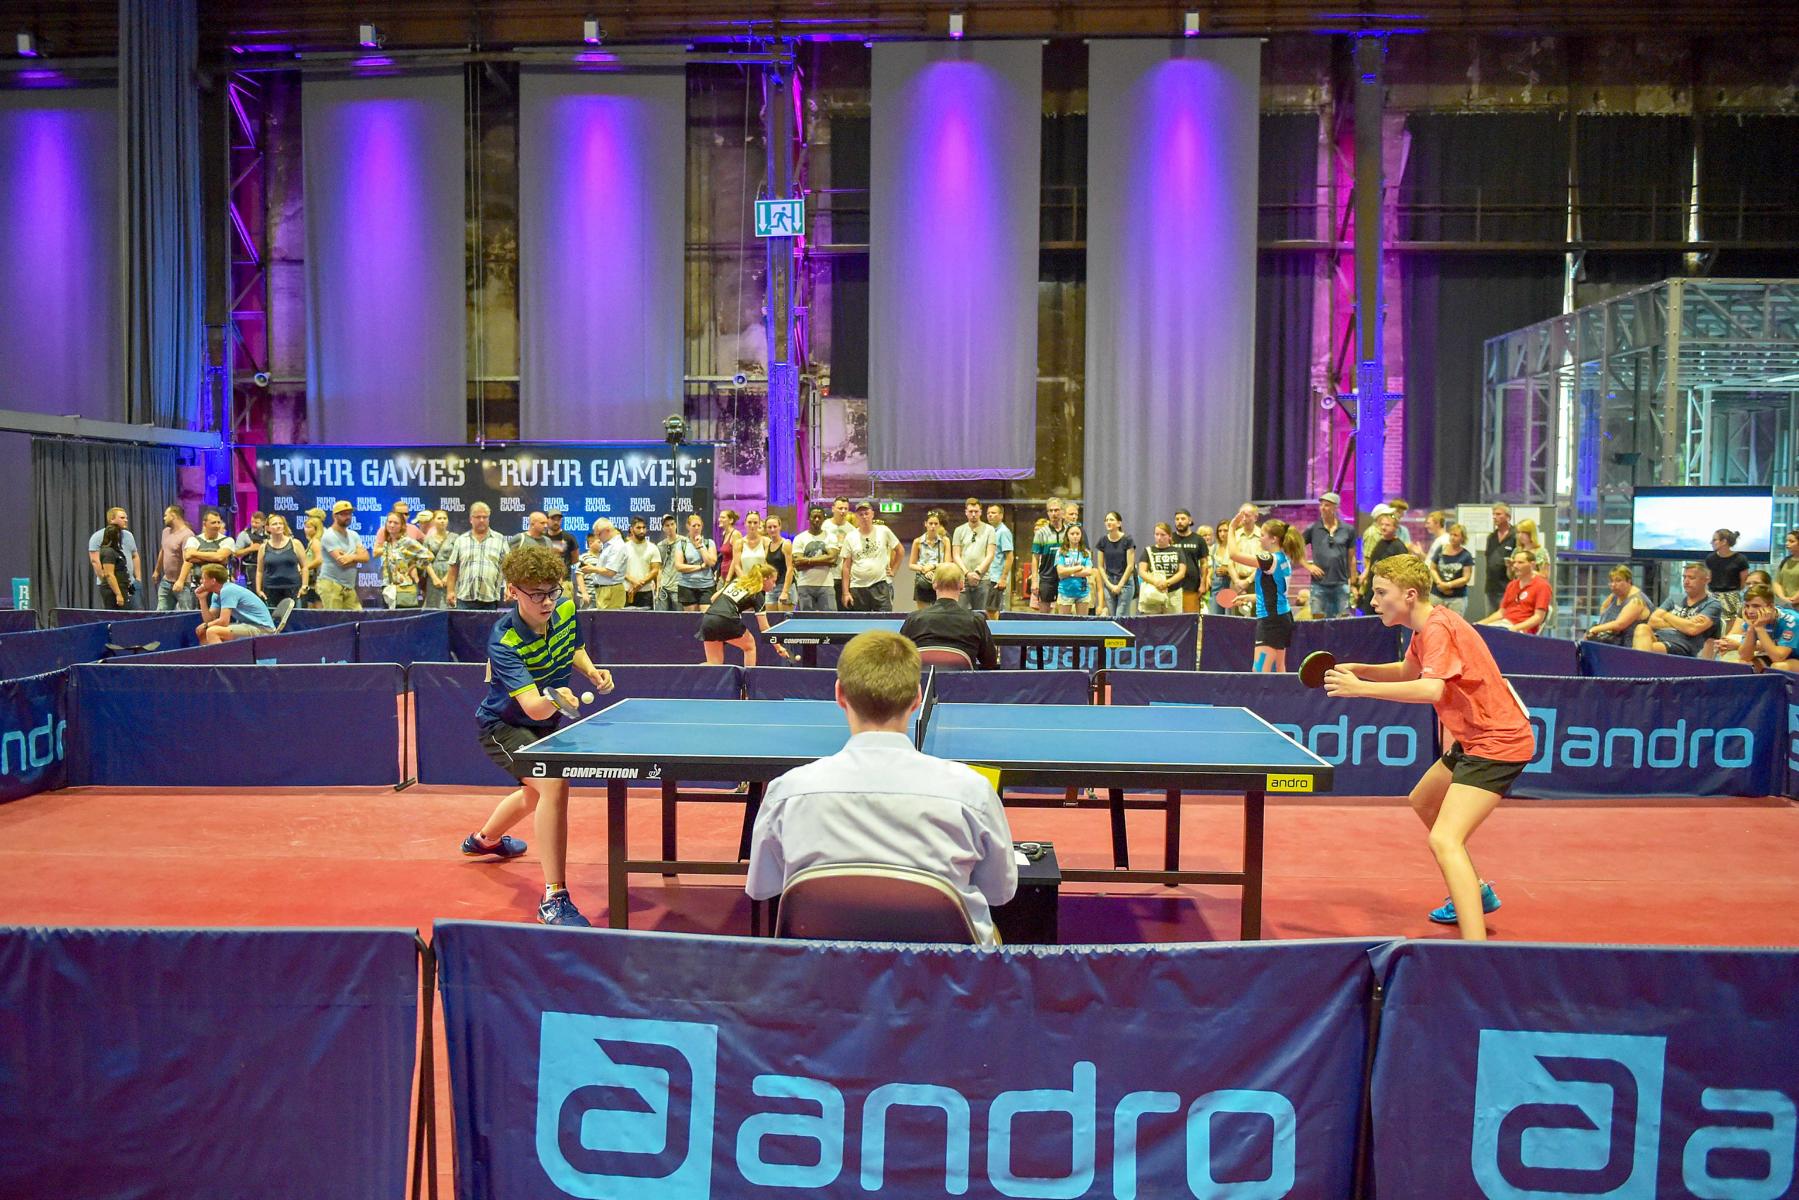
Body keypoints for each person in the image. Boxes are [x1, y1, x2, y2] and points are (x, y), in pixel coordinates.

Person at [745, 630, 1017, 945]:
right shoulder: (972, 792)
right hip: (945, 968)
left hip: (825, 966)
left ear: (839, 694)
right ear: (918, 698)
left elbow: (762, 887)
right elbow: (1000, 892)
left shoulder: (786, 793)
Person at [1324, 554, 1533, 940]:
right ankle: (1474, 891)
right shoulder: (1423, 629)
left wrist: (1361, 689)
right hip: (1474, 737)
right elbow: (1408, 672)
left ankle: (1476, 951)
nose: (1373, 601)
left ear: (1409, 595)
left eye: (1380, 593)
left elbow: (1431, 689)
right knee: (1423, 799)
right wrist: (1361, 669)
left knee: (1444, 839)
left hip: (1498, 741)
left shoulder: (1437, 628)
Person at [462, 545, 616, 927]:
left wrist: (592, 672)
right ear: (512, 591)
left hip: (544, 725)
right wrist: (556, 698)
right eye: (536, 594)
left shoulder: (564, 609)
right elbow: (533, 707)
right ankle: (554, 899)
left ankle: (484, 840)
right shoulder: (504, 641)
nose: (547, 602)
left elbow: (574, 648)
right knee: (553, 784)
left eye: (552, 591)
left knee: (534, 794)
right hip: (503, 726)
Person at [898, 563, 999, 669]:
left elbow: (899, 657)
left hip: (922, 679)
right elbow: (990, 662)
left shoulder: (914, 619)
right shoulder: (976, 620)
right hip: (963, 679)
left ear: (934, 584)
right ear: (961, 585)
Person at [1232, 518, 1302, 671]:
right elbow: (1276, 593)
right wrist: (1249, 598)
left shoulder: (1270, 560)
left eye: (1262, 535)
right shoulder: (1283, 559)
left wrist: (1232, 528)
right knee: (1279, 669)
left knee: (1259, 671)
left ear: (1273, 539)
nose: (1259, 538)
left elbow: (1233, 555)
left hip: (1271, 622)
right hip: (1281, 617)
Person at [699, 563, 786, 667]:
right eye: (773, 581)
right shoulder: (757, 594)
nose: (774, 585)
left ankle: (690, 673)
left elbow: (713, 598)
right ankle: (749, 677)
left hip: (708, 618)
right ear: (765, 579)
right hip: (727, 619)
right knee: (750, 646)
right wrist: (778, 647)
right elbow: (764, 628)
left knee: (714, 664)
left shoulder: (737, 581)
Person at [1632, 562, 1723, 657]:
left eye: (1691, 578)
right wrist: (1686, 622)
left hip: (1682, 645)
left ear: (1705, 580)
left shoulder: (1712, 605)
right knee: (1642, 628)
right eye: (1684, 577)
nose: (1686, 582)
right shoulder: (1673, 598)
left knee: (1645, 648)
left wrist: (1666, 615)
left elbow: (1692, 629)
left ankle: (1639, 665)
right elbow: (1652, 621)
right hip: (1658, 637)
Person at [1718, 583, 1799, 672]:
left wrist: (1759, 628)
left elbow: (1778, 657)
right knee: (1741, 665)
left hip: (1793, 659)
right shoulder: (1753, 619)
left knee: (1779, 667)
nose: (1750, 611)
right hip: (1775, 657)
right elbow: (1745, 656)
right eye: (1747, 606)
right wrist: (1751, 628)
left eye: (1756, 606)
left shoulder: (1792, 621)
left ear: (1770, 607)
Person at [445, 501, 508, 610]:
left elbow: (508, 567)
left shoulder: (500, 540)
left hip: (490, 599)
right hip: (464, 599)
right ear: (471, 519)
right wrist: (450, 591)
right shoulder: (461, 540)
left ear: (489, 519)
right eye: (478, 517)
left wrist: (509, 588)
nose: (481, 520)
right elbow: (453, 569)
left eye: (485, 517)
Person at [841, 501, 901, 612]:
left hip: (880, 585)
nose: (864, 517)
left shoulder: (883, 531)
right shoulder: (850, 537)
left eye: (866, 513)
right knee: (860, 620)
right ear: (856, 517)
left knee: (884, 618)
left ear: (872, 514)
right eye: (861, 514)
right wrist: (845, 592)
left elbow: (900, 550)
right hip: (858, 586)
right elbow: (846, 567)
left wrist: (894, 570)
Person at [1302, 492, 1354, 619]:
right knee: (1318, 620)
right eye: (1321, 505)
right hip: (1319, 584)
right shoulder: (1313, 528)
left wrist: (1353, 582)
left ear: (1335, 507)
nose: (1323, 508)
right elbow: (1296, 547)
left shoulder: (1348, 529)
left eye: (1327, 505)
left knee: (1344, 620)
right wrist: (1308, 566)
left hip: (1341, 583)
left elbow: (1351, 557)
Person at [194, 563, 276, 643]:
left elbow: (223, 622)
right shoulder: (216, 594)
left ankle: (221, 653)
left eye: (203, 578)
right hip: (247, 625)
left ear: (213, 581)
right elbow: (209, 620)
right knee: (204, 632)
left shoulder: (228, 590)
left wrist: (206, 626)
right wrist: (202, 599)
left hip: (263, 629)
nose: (201, 581)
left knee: (212, 631)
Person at [1478, 551, 1552, 634]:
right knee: (1480, 632)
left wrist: (1514, 628)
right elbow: (1501, 613)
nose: (1515, 566)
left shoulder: (1542, 586)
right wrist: (1480, 624)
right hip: (1504, 625)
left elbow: (1538, 617)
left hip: (1522, 630)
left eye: (1520, 562)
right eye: (1514, 562)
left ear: (1532, 565)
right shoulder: (1512, 585)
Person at [312, 501, 367, 610]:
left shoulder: (354, 535)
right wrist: (357, 557)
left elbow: (365, 557)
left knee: (358, 616)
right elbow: (343, 562)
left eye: (349, 514)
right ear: (334, 516)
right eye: (343, 514)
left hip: (349, 587)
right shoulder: (329, 535)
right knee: (334, 619)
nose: (348, 517)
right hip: (331, 585)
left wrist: (351, 557)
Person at [178, 511, 237, 608]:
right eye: (213, 522)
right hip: (198, 586)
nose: (217, 525)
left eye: (219, 522)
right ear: (204, 524)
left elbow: (220, 557)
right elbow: (188, 557)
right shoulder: (193, 540)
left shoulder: (228, 540)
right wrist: (214, 556)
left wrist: (196, 554)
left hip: (220, 588)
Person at [1356, 511, 1410, 613]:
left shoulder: (1399, 547)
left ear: (1395, 528)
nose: (1383, 527)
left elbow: (1404, 573)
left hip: (1387, 594)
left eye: (1387, 525)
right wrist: (1365, 575)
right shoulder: (1380, 543)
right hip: (1372, 590)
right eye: (1382, 524)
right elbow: (1373, 562)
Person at [88, 508, 141, 609]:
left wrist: (138, 578)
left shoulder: (129, 535)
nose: (126, 520)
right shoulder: (98, 538)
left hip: (129, 583)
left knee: (134, 610)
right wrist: (105, 580)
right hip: (112, 586)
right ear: (112, 519)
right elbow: (95, 561)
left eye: (126, 518)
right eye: (122, 518)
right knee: (116, 613)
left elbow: (135, 556)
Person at [790, 505, 839, 612]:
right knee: (806, 620)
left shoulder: (830, 537)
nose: (817, 520)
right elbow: (798, 564)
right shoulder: (799, 538)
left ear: (823, 519)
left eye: (819, 517)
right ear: (809, 518)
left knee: (830, 619)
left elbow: (833, 559)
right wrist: (825, 560)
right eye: (814, 517)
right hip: (804, 585)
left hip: (826, 585)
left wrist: (807, 560)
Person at [255, 515, 307, 613]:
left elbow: (304, 567)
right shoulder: (263, 547)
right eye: (274, 524)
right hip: (270, 589)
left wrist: (304, 586)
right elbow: (259, 571)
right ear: (268, 528)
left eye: (280, 523)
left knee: (295, 617)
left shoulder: (295, 543)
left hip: (293, 589)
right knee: (273, 618)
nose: (278, 526)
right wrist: (258, 590)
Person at [951, 498, 995, 613]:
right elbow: (956, 555)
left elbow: (990, 555)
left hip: (982, 579)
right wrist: (967, 573)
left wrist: (977, 572)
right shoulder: (958, 530)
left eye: (976, 511)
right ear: (966, 512)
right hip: (962, 579)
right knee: (960, 614)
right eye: (971, 511)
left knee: (980, 615)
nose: (974, 514)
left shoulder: (990, 530)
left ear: (981, 512)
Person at [376, 511, 427, 609]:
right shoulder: (387, 544)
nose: (392, 525)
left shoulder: (407, 542)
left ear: (402, 526)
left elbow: (427, 556)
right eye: (389, 522)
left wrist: (413, 567)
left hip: (405, 590)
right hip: (389, 590)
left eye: (396, 523)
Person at [1585, 565, 1648, 644]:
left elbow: (1619, 625)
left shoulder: (1636, 601)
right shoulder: (1615, 595)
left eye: (1618, 581)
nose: (1613, 585)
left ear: (1629, 581)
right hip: (1609, 642)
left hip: (1629, 646)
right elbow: (1603, 608)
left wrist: (1595, 629)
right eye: (1611, 581)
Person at [1136, 522, 1187, 615]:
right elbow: (1142, 571)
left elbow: (1181, 572)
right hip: (1153, 592)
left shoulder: (1178, 551)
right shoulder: (1148, 551)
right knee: (1153, 621)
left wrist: (1167, 583)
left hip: (1173, 593)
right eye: (1157, 534)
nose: (1159, 538)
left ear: (1169, 536)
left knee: (1173, 621)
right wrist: (1155, 582)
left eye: (1163, 535)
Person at [577, 519, 629, 610]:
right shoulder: (608, 545)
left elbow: (610, 572)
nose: (597, 537)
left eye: (599, 534)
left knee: (609, 618)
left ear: (607, 531)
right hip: (605, 590)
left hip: (611, 591)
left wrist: (592, 569)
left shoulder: (617, 546)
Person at [1705, 528, 1752, 625]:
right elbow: (1708, 579)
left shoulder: (1740, 559)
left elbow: (1743, 582)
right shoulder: (1710, 558)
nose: (1711, 542)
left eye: (1714, 540)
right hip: (1713, 596)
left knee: (1730, 625)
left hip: (1732, 598)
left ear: (1724, 542)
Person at [1094, 511, 1136, 618]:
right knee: (1112, 617)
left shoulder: (1127, 540)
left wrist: (1120, 585)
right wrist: (1109, 584)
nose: (1108, 522)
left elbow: (1130, 566)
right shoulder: (1102, 541)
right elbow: (1100, 566)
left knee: (1120, 616)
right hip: (1109, 582)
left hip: (1125, 583)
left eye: (1111, 520)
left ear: (1119, 523)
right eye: (1106, 520)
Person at [1427, 523, 1476, 616]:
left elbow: (1466, 578)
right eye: (1451, 534)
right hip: (1437, 595)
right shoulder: (1441, 549)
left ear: (1462, 538)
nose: (1452, 537)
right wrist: (1440, 583)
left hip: (1456, 599)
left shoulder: (1466, 556)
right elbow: (1432, 568)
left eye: (1456, 535)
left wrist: (1448, 585)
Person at [673, 513, 719, 611]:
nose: (697, 528)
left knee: (706, 615)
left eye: (699, 525)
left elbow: (711, 563)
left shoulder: (709, 543)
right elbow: (679, 566)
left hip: (707, 586)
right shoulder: (682, 544)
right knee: (691, 617)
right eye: (694, 526)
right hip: (687, 585)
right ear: (688, 526)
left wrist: (701, 546)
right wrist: (701, 567)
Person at [1031, 498, 1069, 612]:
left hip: (1066, 577)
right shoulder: (1040, 533)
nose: (1054, 513)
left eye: (1056, 510)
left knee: (1065, 613)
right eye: (1050, 511)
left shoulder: (1069, 531)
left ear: (1062, 512)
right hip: (1046, 577)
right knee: (1044, 614)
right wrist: (1034, 581)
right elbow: (1035, 558)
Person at [908, 509, 950, 610]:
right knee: (923, 613)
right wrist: (924, 569)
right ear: (925, 524)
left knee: (940, 612)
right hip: (923, 580)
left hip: (939, 580)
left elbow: (947, 562)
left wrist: (933, 566)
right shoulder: (918, 541)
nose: (933, 526)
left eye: (936, 524)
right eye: (930, 523)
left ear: (939, 525)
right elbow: (911, 565)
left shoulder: (945, 541)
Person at [1482, 503, 1518, 617]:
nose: (1494, 517)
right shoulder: (1491, 537)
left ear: (1508, 517)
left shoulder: (1515, 536)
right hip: (1491, 587)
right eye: (1493, 514)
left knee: (1506, 620)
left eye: (1498, 514)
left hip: (1507, 588)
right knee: (1490, 621)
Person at [731, 512, 773, 608]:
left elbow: (767, 564)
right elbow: (736, 565)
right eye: (749, 522)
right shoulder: (739, 543)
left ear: (759, 524)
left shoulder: (766, 541)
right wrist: (746, 582)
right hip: (745, 584)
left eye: (755, 522)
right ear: (745, 523)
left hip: (762, 583)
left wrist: (761, 581)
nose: (752, 525)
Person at [155, 505, 193, 611]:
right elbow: (163, 550)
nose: (164, 518)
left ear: (173, 516)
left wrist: (180, 581)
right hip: (166, 581)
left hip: (183, 583)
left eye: (165, 515)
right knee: (161, 613)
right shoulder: (165, 532)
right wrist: (157, 570)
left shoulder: (187, 535)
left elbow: (188, 560)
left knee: (184, 613)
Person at [1168, 510, 1205, 614]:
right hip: (1172, 586)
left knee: (1191, 618)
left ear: (1190, 520)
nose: (1179, 521)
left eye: (1183, 519)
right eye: (1177, 519)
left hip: (1192, 586)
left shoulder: (1198, 539)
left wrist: (1203, 584)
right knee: (1172, 618)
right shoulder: (1169, 538)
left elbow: (1204, 563)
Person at [1054, 524, 1094, 615]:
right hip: (1065, 592)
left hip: (1083, 593)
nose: (1075, 536)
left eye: (1077, 533)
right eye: (1072, 534)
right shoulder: (1061, 552)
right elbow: (1060, 571)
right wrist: (1078, 568)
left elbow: (1088, 571)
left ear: (1081, 535)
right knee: (1064, 621)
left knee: (1082, 621)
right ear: (1067, 536)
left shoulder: (1086, 552)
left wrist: (1069, 573)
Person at [620, 516, 659, 609]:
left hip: (646, 592)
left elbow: (655, 570)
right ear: (631, 529)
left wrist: (638, 585)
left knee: (647, 619)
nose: (642, 531)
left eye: (644, 527)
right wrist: (634, 582)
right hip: (627, 591)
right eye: (638, 528)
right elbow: (620, 569)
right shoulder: (623, 548)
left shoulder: (653, 548)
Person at [823, 496, 855, 603]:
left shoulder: (852, 530)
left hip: (844, 576)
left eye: (846, 508)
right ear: (833, 509)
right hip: (827, 575)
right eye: (840, 508)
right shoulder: (824, 526)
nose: (843, 511)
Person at [984, 503, 1013, 618]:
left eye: (993, 513)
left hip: (996, 578)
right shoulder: (988, 531)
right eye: (988, 513)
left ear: (1001, 515)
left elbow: (1009, 556)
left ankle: (994, 630)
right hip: (987, 577)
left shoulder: (1003, 532)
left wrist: (1003, 578)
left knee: (992, 610)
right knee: (986, 609)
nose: (990, 515)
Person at [95, 525, 132, 610]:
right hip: (112, 591)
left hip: (122, 587)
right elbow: (109, 574)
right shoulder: (108, 552)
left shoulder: (117, 551)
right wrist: (118, 594)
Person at [422, 512, 454, 609]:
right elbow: (425, 560)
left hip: (451, 575)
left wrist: (448, 577)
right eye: (439, 518)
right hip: (433, 576)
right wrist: (434, 578)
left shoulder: (455, 537)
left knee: (450, 605)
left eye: (444, 518)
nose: (442, 521)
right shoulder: (428, 539)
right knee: (433, 605)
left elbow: (457, 559)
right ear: (433, 521)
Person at [544, 511, 581, 593]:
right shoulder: (542, 538)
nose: (556, 522)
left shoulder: (569, 538)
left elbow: (575, 559)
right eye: (553, 519)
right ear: (547, 520)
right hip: (544, 582)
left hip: (564, 582)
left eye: (558, 519)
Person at [654, 514, 683, 611]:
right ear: (663, 528)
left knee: (679, 617)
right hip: (664, 587)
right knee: (661, 617)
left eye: (672, 524)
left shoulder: (684, 542)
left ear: (676, 525)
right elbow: (660, 567)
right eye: (667, 525)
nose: (670, 527)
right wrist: (658, 586)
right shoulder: (660, 545)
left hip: (678, 587)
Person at [764, 513, 793, 611]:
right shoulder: (767, 545)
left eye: (775, 526)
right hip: (772, 587)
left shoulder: (786, 544)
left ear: (780, 527)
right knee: (771, 617)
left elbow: (790, 568)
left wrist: (785, 591)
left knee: (784, 617)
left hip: (784, 585)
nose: (772, 529)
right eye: (769, 527)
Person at [714, 508, 741, 597]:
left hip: (732, 576)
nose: (719, 519)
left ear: (731, 520)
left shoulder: (735, 534)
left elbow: (735, 558)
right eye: (720, 517)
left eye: (723, 517)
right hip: (723, 574)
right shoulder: (724, 533)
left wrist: (728, 578)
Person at [299, 516, 325, 609]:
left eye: (309, 527)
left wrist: (305, 568)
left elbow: (319, 559)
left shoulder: (316, 542)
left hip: (317, 580)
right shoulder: (311, 542)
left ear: (316, 529)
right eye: (305, 527)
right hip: (311, 581)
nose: (305, 529)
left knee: (318, 608)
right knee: (311, 607)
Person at [1775, 529, 1799, 610]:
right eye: (1787, 541)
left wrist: (1793, 599)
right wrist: (1783, 598)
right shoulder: (1785, 561)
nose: (1787, 543)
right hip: (1784, 605)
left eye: (1791, 541)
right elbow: (1777, 582)